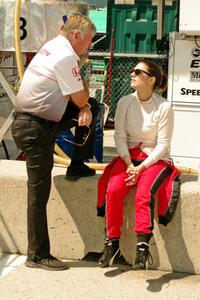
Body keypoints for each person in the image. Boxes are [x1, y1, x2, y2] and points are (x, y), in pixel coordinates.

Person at [11, 13, 99, 271]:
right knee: (38, 194)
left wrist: (84, 106)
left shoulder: (51, 46)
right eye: (88, 40)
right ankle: (37, 255)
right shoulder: (66, 55)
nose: (89, 46)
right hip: (35, 127)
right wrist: (84, 106)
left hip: (39, 123)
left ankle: (77, 164)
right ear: (76, 36)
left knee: (92, 107)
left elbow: (80, 100)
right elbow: (80, 98)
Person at [97, 60, 181, 270]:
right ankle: (111, 243)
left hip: (154, 159)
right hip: (129, 158)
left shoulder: (164, 106)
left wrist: (141, 167)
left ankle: (143, 247)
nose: (132, 74)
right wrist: (128, 163)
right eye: (132, 71)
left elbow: (163, 145)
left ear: (151, 80)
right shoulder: (125, 102)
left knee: (143, 193)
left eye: (138, 72)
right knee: (114, 189)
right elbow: (119, 136)